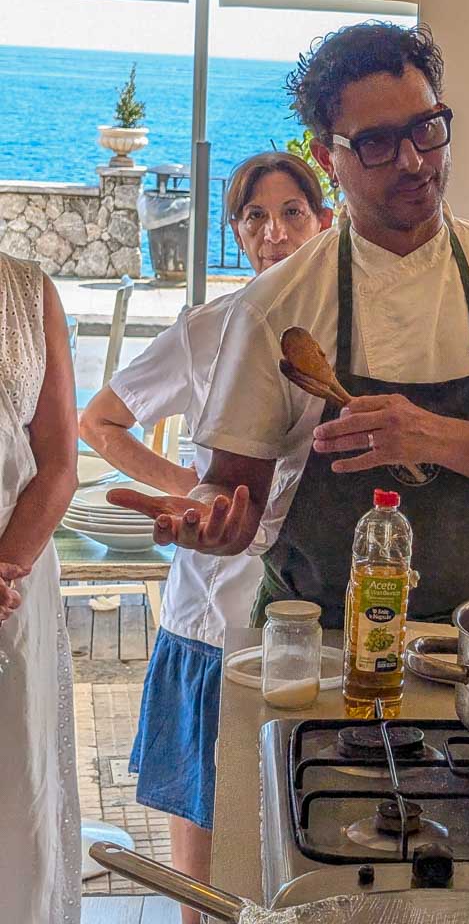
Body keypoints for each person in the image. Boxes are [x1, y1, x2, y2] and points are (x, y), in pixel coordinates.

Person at [110, 21, 469, 628]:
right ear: (327, 158)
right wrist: (212, 520)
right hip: (311, 646)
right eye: (377, 142)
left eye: (427, 129)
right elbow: (233, 490)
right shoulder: (275, 305)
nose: (413, 160)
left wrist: (431, 436)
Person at [79, 152, 331, 924]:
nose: (274, 230)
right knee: (205, 843)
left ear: (326, 221)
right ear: (236, 232)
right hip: (213, 617)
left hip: (317, 613)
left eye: (293, 211)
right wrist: (196, 493)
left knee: (308, 831)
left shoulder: (346, 331)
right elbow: (100, 421)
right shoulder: (211, 329)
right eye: (255, 216)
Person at [0, 251, 82, 922]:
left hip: (11, 593)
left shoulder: (28, 292)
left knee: (15, 798)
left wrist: (3, 569)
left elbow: (58, 465)